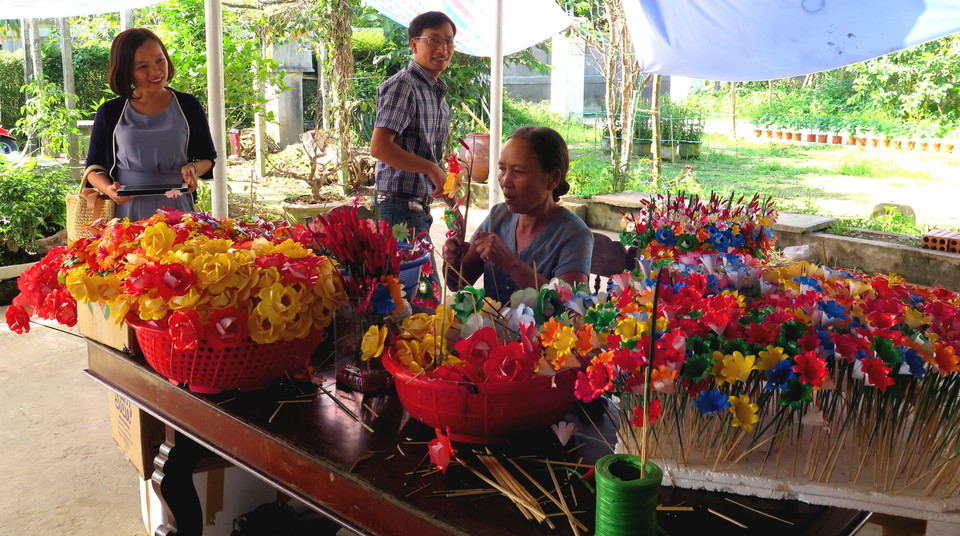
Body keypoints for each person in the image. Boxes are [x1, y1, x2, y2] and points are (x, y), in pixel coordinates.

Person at [442, 126, 593, 303]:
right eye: (502, 169)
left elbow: (571, 307)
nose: (505, 181)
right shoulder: (498, 216)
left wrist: (510, 262)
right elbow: (458, 283)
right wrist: (452, 261)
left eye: (518, 172)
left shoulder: (574, 234)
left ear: (552, 179)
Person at [84, 28, 216, 221]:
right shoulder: (110, 112)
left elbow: (208, 157)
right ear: (126, 71)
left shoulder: (189, 106)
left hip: (179, 211)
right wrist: (108, 189)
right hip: (128, 213)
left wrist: (193, 169)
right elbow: (93, 168)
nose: (155, 71)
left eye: (159, 60)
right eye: (142, 66)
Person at [370, 11, 456, 264]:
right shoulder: (404, 85)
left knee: (416, 287)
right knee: (421, 286)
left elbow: (430, 156)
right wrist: (431, 169)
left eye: (449, 41)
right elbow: (379, 147)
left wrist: (453, 204)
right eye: (434, 40)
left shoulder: (438, 97)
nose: (443, 48)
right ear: (414, 45)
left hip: (418, 209)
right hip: (397, 208)